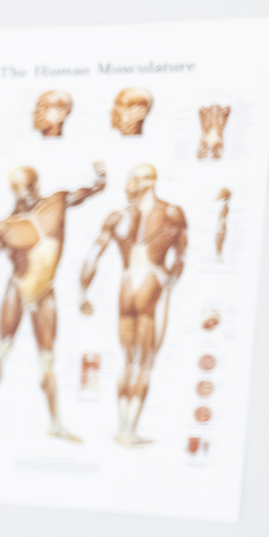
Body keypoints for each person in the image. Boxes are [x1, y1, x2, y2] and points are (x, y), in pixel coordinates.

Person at [0, 161, 107, 446]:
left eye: (27, 186)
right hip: (17, 289)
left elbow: (86, 193)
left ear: (37, 185)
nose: (22, 193)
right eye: (17, 188)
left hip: (45, 291)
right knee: (2, 348)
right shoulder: (4, 227)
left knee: (48, 360)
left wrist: (100, 179)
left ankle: (55, 423)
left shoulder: (56, 203)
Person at [78, 163, 188, 447]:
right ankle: (129, 431)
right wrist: (168, 284)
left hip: (126, 284)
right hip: (152, 280)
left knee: (128, 362)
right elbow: (180, 258)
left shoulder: (116, 217)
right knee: (145, 364)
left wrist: (82, 293)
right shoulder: (172, 212)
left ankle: (122, 428)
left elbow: (92, 257)